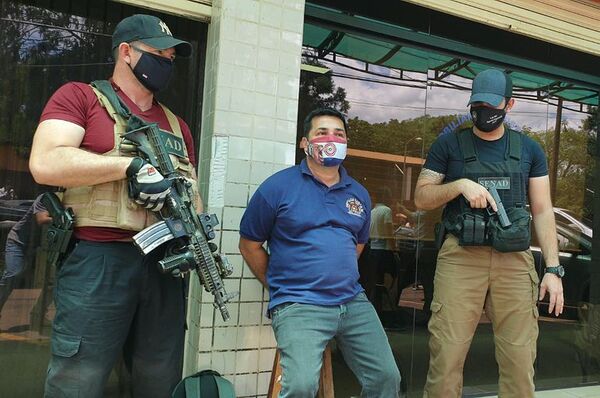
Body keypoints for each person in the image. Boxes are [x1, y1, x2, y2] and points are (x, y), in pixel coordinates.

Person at [29, 14, 198, 398]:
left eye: (172, 57)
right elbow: (45, 162)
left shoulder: (176, 125)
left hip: (163, 266)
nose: (168, 62)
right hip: (99, 260)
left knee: (158, 378)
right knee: (80, 378)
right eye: (159, 53)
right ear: (126, 52)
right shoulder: (81, 97)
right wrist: (129, 166)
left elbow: (191, 191)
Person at [414, 68, 564, 398]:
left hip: (514, 260)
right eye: (477, 104)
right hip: (460, 259)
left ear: (509, 105)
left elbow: (542, 210)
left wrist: (553, 270)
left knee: (519, 362)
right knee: (446, 358)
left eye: (492, 105)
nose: (484, 112)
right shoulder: (449, 144)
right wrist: (459, 186)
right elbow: (422, 196)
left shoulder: (529, 150)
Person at [238, 108, 401, 397]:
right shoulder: (278, 187)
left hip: (351, 301)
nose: (331, 139)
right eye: (322, 132)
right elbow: (249, 245)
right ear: (304, 142)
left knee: (386, 378)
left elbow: (357, 244)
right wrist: (280, 285)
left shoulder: (358, 194)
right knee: (300, 386)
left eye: (339, 134)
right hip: (300, 304)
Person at [0, 194, 51, 315]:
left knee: (50, 280)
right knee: (14, 273)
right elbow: (42, 219)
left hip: (36, 246)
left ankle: (38, 311)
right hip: (17, 241)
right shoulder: (45, 197)